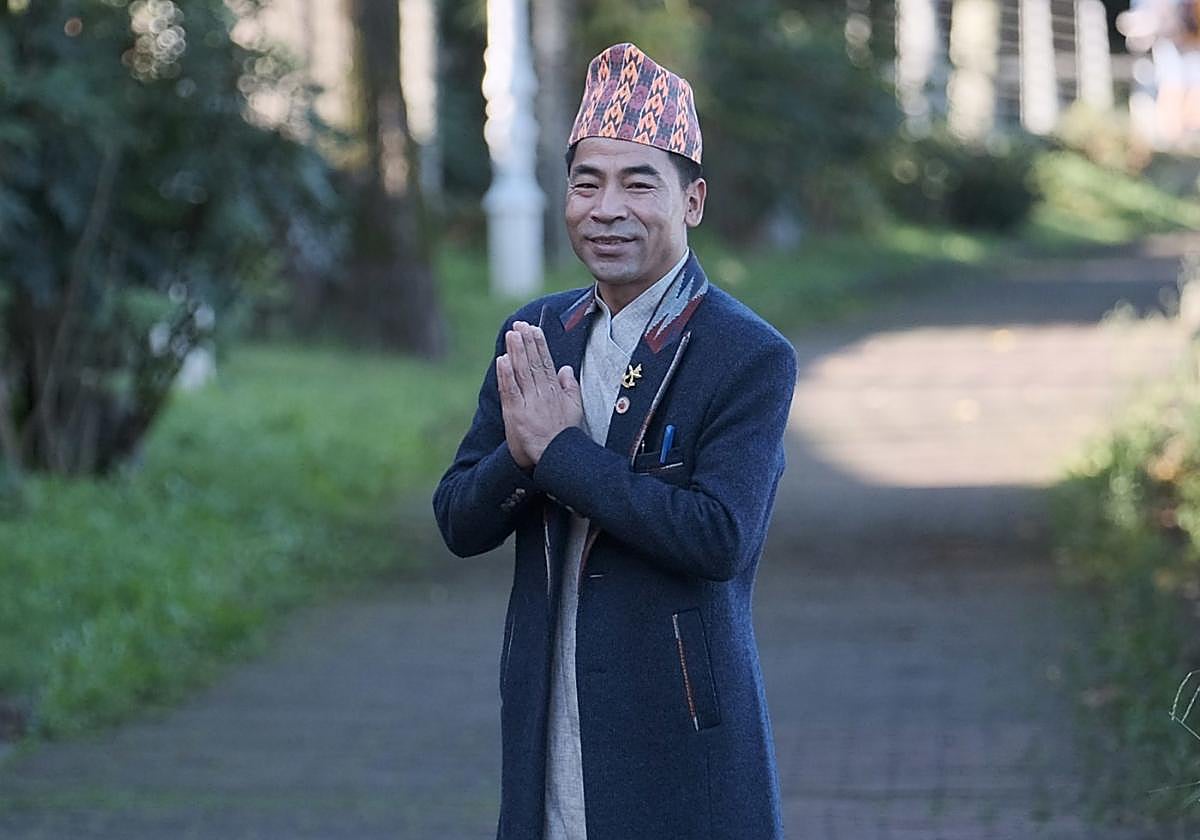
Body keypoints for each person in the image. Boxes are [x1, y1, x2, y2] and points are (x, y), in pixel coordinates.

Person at [433, 42, 796, 840]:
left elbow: (719, 537)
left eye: (639, 183)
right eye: (586, 183)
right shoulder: (536, 332)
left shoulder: (746, 354)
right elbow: (459, 519)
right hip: (547, 706)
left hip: (680, 732)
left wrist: (561, 454)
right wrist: (521, 456)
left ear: (692, 201)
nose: (607, 208)